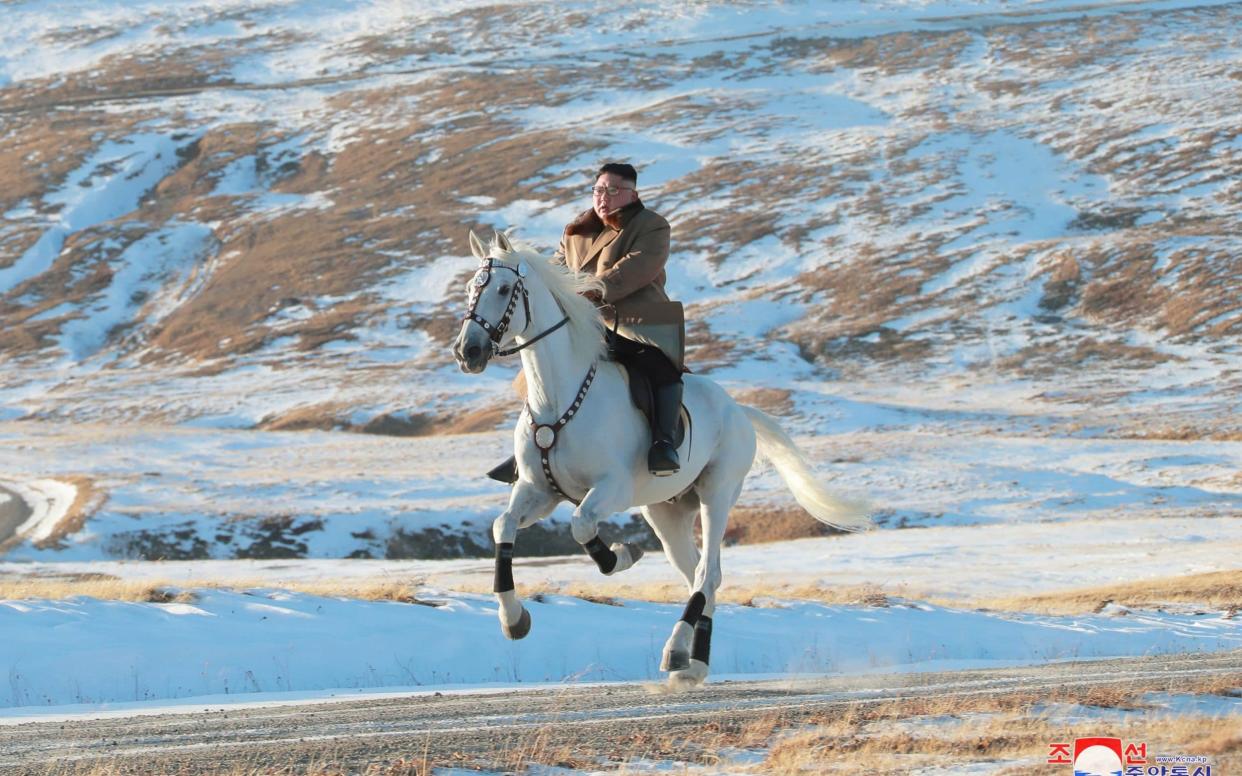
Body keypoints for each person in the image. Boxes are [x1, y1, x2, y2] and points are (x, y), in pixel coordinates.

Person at [487, 162, 685, 483]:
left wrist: (589, 291)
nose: (602, 197)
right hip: (586, 325)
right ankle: (533, 448)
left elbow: (634, 269)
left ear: (631, 194)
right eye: (597, 190)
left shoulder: (652, 226)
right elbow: (556, 271)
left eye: (612, 191)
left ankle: (663, 444)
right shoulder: (575, 230)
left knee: (661, 372)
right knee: (540, 373)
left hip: (637, 324)